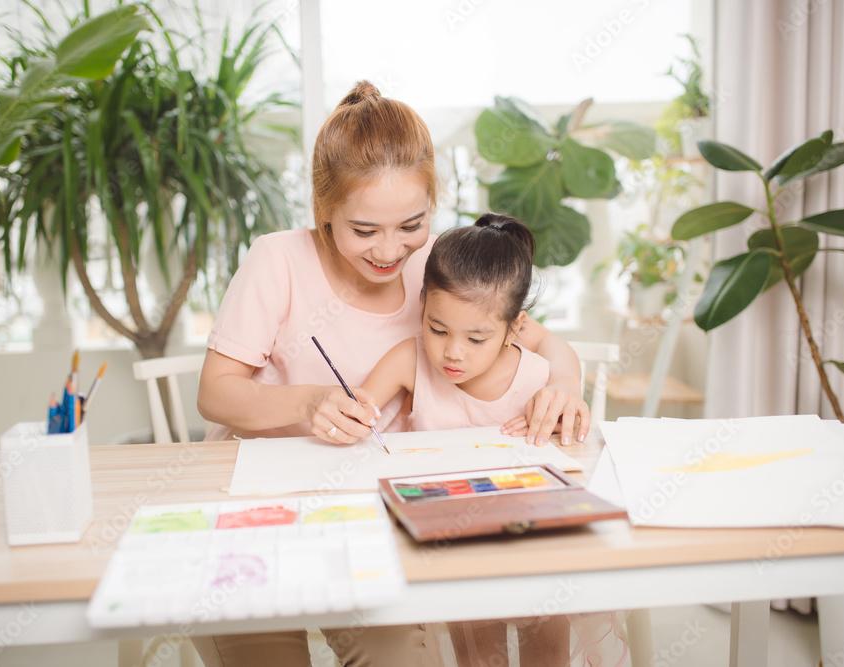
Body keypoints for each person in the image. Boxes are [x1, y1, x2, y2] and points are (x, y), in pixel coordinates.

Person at [195, 81, 590, 666]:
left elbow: (538, 339)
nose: (389, 251)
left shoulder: (438, 267)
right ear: (324, 208)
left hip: (372, 522)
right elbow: (215, 393)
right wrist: (307, 404)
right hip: (264, 518)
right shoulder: (276, 260)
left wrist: (563, 384)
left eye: (412, 224)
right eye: (363, 230)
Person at [355, 214, 628, 667]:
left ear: (515, 327)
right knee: (478, 651)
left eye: (476, 337)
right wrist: (348, 416)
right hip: (457, 547)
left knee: (547, 647)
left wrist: (566, 400)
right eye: (437, 328)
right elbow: (359, 411)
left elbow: (576, 458)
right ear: (422, 305)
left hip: (539, 548)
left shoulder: (540, 379)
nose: (452, 352)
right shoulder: (409, 359)